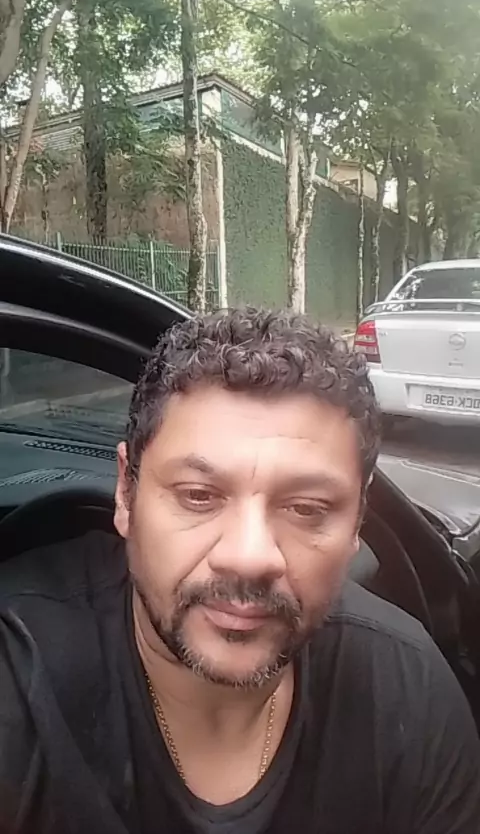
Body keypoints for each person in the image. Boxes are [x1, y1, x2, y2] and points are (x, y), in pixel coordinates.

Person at [0, 308, 479, 834]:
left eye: (307, 508)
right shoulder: (18, 677)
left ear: (357, 523)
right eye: (198, 496)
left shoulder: (407, 691)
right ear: (126, 495)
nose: (249, 557)